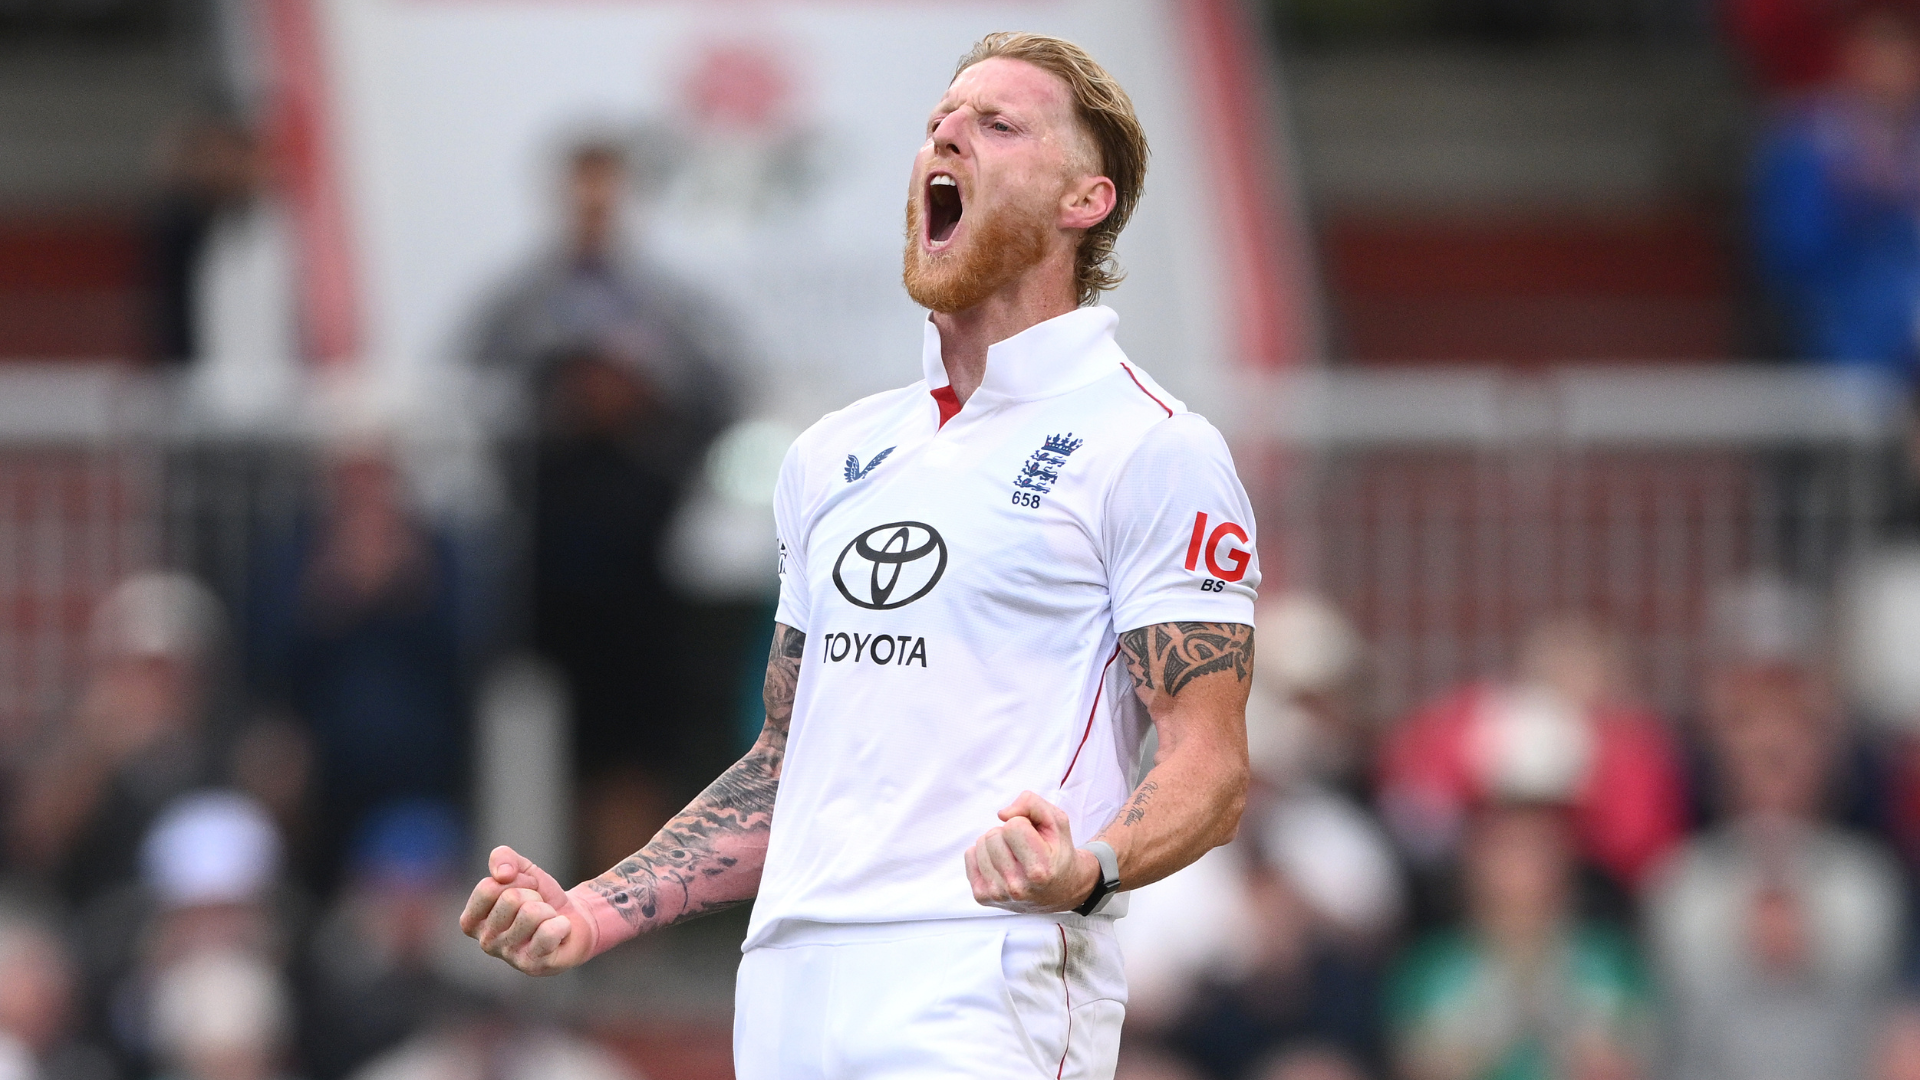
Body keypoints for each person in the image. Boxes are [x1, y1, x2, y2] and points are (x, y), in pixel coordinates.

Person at [462, 31, 1260, 1079]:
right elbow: (783, 763)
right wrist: (593, 911)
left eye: (997, 124)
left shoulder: (1153, 446)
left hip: (984, 973)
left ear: (1085, 200)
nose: (948, 136)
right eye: (940, 122)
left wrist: (1089, 870)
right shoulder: (834, 453)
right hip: (789, 983)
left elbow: (1210, 763)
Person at [1752, 5, 1920, 384]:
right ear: (1850, 58)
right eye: (1876, 50)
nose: (1889, 66)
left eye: (1901, 51)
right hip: (1845, 321)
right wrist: (1862, 202)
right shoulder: (1806, 142)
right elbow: (1790, 256)